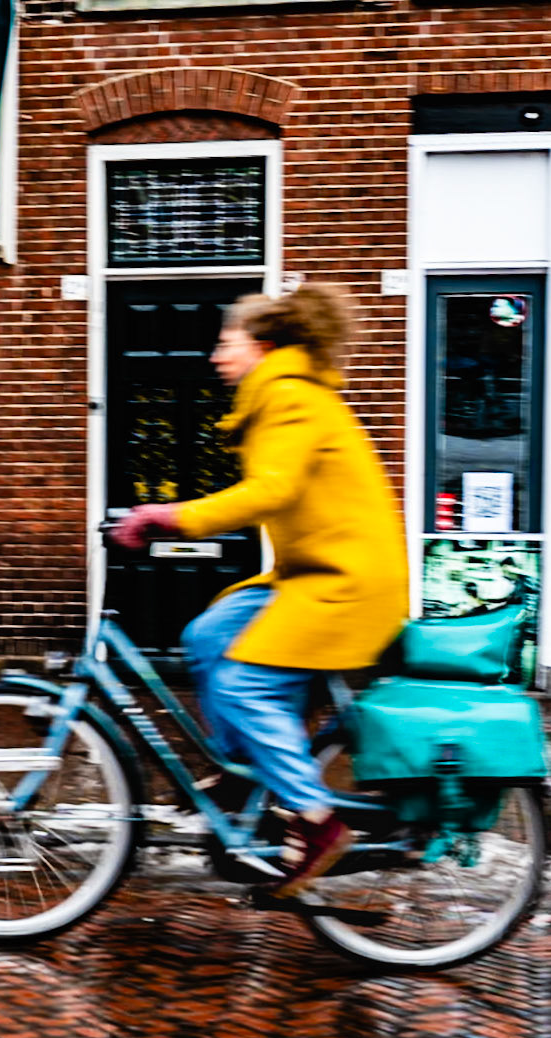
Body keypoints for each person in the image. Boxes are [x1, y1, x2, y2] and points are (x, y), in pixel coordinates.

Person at [112, 285, 409, 896]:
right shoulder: (278, 395)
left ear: (264, 346)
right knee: (209, 634)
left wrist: (169, 517)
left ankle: (318, 822)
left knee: (247, 683)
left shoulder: (289, 395)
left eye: (227, 342)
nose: (217, 354)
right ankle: (245, 773)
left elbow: (270, 492)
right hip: (312, 572)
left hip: (347, 582)